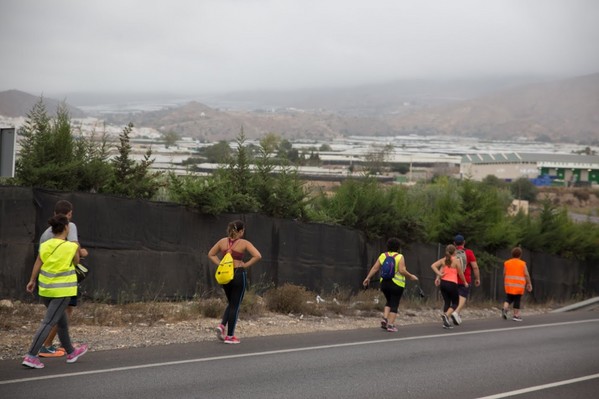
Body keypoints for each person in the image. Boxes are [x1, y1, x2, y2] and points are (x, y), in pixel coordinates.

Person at [22, 214, 89, 369]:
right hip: (62, 291)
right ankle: (31, 356)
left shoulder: (45, 245)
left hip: (45, 290)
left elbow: (38, 262)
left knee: (62, 322)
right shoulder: (71, 247)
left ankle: (71, 352)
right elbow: (76, 261)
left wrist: (32, 281)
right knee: (48, 322)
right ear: (66, 228)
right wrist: (82, 252)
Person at [37, 200, 89, 358]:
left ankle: (63, 345)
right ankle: (46, 345)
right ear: (69, 215)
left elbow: (40, 258)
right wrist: (82, 253)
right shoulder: (70, 226)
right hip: (64, 280)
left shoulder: (46, 234)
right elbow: (75, 247)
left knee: (58, 313)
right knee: (63, 312)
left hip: (48, 280)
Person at [208, 220, 262, 344]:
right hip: (238, 274)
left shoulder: (222, 242)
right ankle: (230, 336)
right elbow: (258, 256)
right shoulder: (244, 243)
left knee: (232, 303)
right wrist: (245, 265)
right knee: (235, 306)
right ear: (241, 231)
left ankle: (222, 326)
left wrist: (221, 264)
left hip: (226, 276)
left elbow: (210, 254)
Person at [362, 237, 419, 332]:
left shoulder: (383, 256)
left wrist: (367, 278)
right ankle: (391, 325)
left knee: (389, 301)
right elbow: (402, 270)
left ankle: (385, 318)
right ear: (398, 247)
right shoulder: (400, 257)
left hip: (384, 283)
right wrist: (411, 276)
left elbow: (375, 268)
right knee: (394, 304)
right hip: (397, 284)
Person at [431, 244, 468, 329]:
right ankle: (446, 315)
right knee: (455, 302)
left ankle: (445, 323)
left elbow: (433, 266)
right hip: (452, 283)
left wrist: (439, 275)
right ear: (454, 251)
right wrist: (465, 282)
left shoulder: (444, 260)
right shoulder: (456, 260)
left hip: (443, 283)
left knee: (447, 301)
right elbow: (460, 273)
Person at [448, 234, 480, 325]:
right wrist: (477, 278)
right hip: (465, 279)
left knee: (454, 298)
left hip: (452, 279)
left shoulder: (451, 253)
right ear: (464, 242)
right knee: (463, 297)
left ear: (454, 243)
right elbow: (475, 267)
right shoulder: (469, 252)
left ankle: (449, 315)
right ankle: (456, 312)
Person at [502, 247, 533, 321]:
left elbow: (504, 273)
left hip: (509, 285)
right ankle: (516, 315)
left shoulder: (507, 263)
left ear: (512, 254)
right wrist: (529, 283)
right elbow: (526, 274)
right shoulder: (522, 264)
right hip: (518, 285)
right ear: (520, 255)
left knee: (508, 298)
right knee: (517, 299)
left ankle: (504, 308)